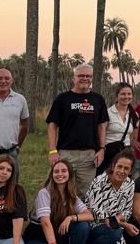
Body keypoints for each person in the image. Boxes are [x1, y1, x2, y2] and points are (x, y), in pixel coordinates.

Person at [45, 64, 108, 196]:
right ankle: (53, 215)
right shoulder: (62, 99)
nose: (85, 78)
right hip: (66, 153)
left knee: (85, 193)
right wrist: (52, 150)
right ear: (74, 78)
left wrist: (101, 149)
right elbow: (52, 125)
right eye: (81, 76)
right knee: (57, 188)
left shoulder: (98, 99)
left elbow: (102, 126)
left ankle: (80, 216)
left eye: (88, 76)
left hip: (89, 155)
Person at [24, 158, 93, 244]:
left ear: (69, 174)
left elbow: (89, 215)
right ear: (52, 175)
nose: (60, 174)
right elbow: (45, 223)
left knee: (82, 226)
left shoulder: (71, 196)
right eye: (56, 171)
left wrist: (71, 217)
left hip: (56, 235)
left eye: (63, 171)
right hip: (37, 238)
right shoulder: (44, 193)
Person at [83, 149, 137, 244]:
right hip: (95, 226)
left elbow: (127, 211)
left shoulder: (130, 184)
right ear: (113, 166)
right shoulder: (99, 182)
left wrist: (119, 220)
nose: (122, 171)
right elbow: (98, 214)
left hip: (115, 228)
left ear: (131, 170)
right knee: (115, 232)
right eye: (119, 166)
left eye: (126, 168)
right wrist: (124, 224)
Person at [99, 82, 139, 175]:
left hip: (126, 154)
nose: (126, 97)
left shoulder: (134, 115)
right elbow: (101, 132)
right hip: (109, 154)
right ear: (117, 96)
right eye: (123, 94)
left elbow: (133, 136)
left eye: (129, 94)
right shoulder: (108, 113)